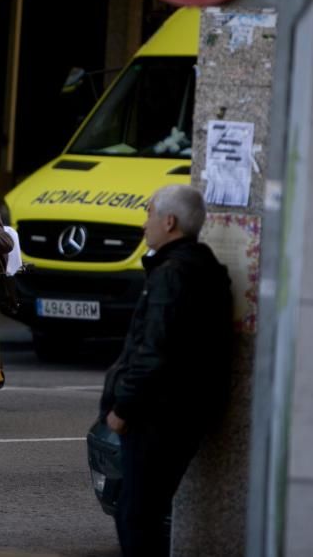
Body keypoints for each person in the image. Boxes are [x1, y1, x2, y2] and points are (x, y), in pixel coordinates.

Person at [97, 184, 233, 556]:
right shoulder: (203, 267)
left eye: (149, 214)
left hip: (158, 416)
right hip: (181, 411)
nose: (145, 224)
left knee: (136, 516)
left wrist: (123, 409)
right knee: (144, 512)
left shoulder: (172, 274)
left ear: (169, 222)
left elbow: (153, 351)